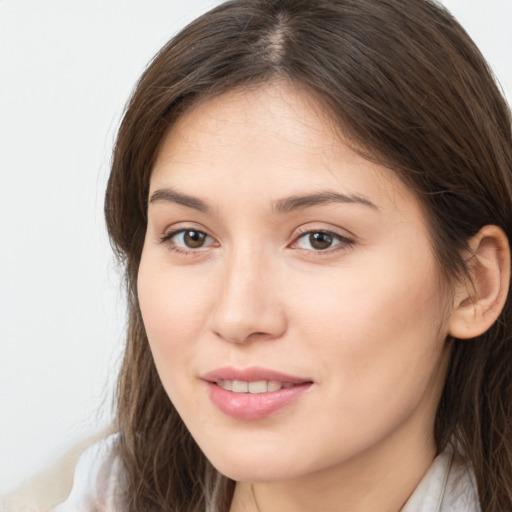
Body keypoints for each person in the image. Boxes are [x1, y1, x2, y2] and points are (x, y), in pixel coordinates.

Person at [52, 0, 512, 510]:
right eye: (191, 237)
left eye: (320, 239)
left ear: (475, 284)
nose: (238, 316)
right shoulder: (105, 493)